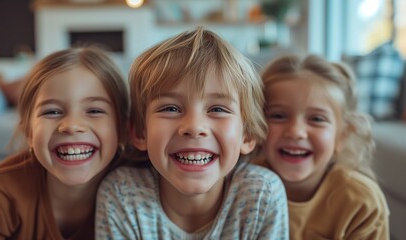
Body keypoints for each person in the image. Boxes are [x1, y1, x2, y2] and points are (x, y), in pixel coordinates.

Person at [95, 27, 289, 239]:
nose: (194, 127)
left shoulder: (262, 194)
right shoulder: (123, 193)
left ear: (248, 135)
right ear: (140, 132)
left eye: (217, 109)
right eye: (170, 108)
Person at [0, 46, 129, 239]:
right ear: (29, 132)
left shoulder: (142, 188)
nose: (72, 126)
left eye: (94, 111)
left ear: (124, 129)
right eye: (52, 112)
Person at [256, 54, 390, 239]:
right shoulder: (242, 185)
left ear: (342, 136)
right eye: (278, 116)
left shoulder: (360, 200)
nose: (296, 132)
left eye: (317, 119)